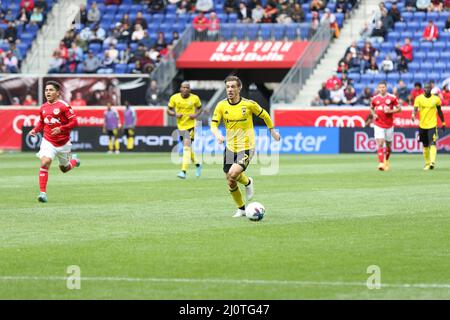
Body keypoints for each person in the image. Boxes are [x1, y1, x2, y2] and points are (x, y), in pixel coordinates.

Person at [210, 76, 281, 218]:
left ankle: (247, 182)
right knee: (230, 181)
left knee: (233, 174)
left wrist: (272, 130)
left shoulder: (249, 105)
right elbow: (213, 124)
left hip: (246, 146)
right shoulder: (221, 106)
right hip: (230, 147)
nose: (230, 89)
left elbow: (265, 115)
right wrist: (217, 134)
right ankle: (242, 208)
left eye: (233, 87)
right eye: (228, 87)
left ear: (239, 88)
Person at [28, 81, 81, 203]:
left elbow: (75, 122)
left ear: (58, 93)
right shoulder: (43, 107)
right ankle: (42, 193)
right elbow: (42, 122)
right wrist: (35, 130)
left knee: (64, 169)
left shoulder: (63, 106)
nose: (48, 92)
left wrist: (61, 128)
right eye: (46, 90)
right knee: (45, 162)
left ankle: (74, 161)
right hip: (48, 141)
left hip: (63, 143)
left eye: (51, 90)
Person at [167, 81, 203, 179]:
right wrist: (175, 114)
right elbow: (168, 110)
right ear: (180, 88)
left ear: (189, 89)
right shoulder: (174, 98)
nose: (185, 89)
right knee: (188, 149)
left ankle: (183, 171)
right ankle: (198, 164)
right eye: (184, 87)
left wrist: (196, 115)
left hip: (191, 126)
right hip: (181, 126)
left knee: (186, 148)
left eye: (187, 88)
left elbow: (200, 108)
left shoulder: (195, 98)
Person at [412, 82, 446, 170]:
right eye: (425, 88)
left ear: (431, 89)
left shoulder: (436, 99)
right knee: (425, 145)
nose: (427, 89)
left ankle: (432, 162)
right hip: (422, 125)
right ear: (423, 89)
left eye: (428, 88)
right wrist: (413, 115)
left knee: (433, 143)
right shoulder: (418, 98)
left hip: (432, 125)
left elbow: (440, 111)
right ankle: (427, 163)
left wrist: (443, 123)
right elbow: (415, 109)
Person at [368, 81, 401, 171]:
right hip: (378, 124)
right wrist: (374, 115)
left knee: (389, 147)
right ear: (378, 88)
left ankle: (386, 160)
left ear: (386, 88)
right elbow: (371, 108)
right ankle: (381, 163)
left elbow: (399, 109)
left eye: (383, 87)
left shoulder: (392, 98)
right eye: (380, 87)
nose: (382, 89)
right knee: (380, 143)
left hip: (389, 125)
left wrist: (390, 111)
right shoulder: (375, 98)